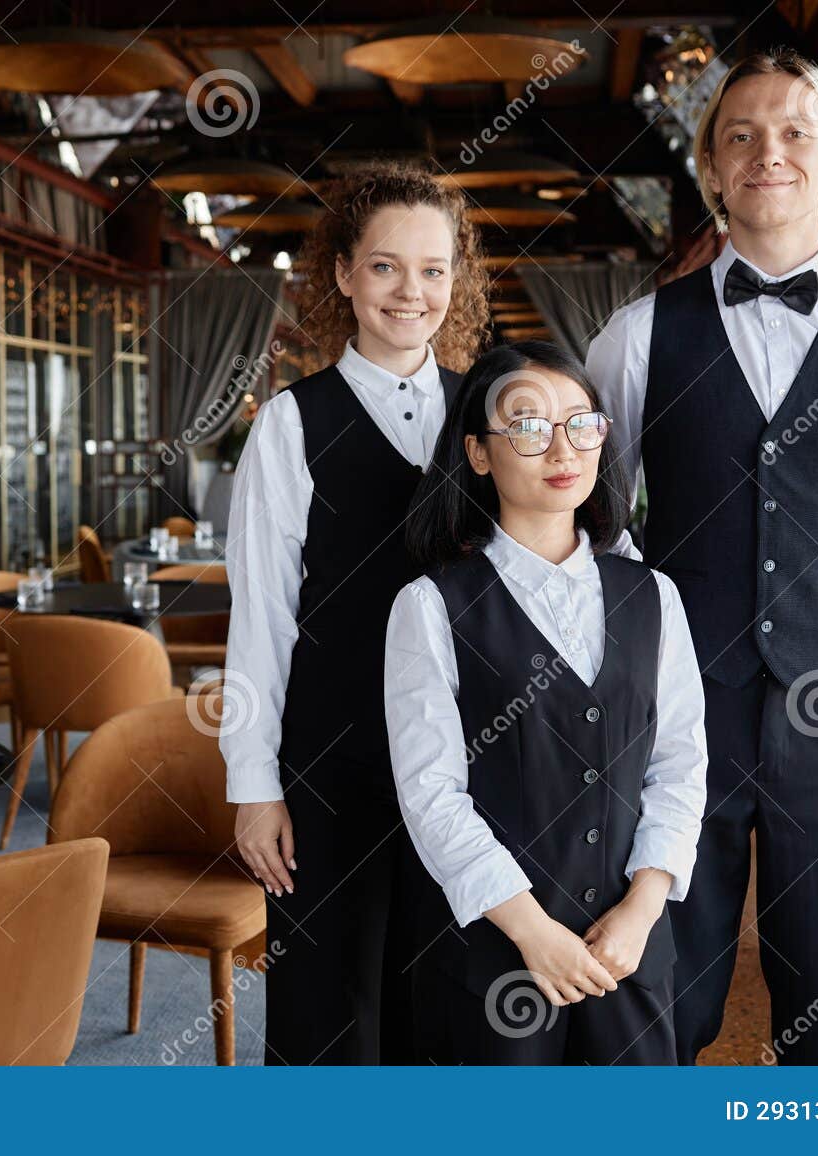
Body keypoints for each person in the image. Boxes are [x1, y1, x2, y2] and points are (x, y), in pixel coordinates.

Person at [585, 48, 818, 1064]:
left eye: (796, 130)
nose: (768, 152)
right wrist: (660, 633)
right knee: (653, 993)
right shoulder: (634, 337)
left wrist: (816, 627)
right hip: (672, 717)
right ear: (710, 167)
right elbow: (586, 521)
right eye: (740, 134)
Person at [221, 164, 491, 1064]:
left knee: (446, 988)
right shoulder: (291, 424)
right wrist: (254, 785)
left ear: (456, 281)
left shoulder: (486, 415)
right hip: (331, 752)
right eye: (384, 268)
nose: (410, 292)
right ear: (342, 275)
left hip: (467, 757)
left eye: (431, 269)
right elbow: (259, 616)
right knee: (328, 1002)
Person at [386, 341, 708, 1064]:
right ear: (477, 453)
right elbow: (432, 796)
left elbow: (681, 767)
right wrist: (532, 931)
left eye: (580, 423)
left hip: (630, 957)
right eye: (527, 426)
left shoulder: (654, 596)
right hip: (497, 962)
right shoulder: (430, 606)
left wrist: (642, 908)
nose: (560, 447)